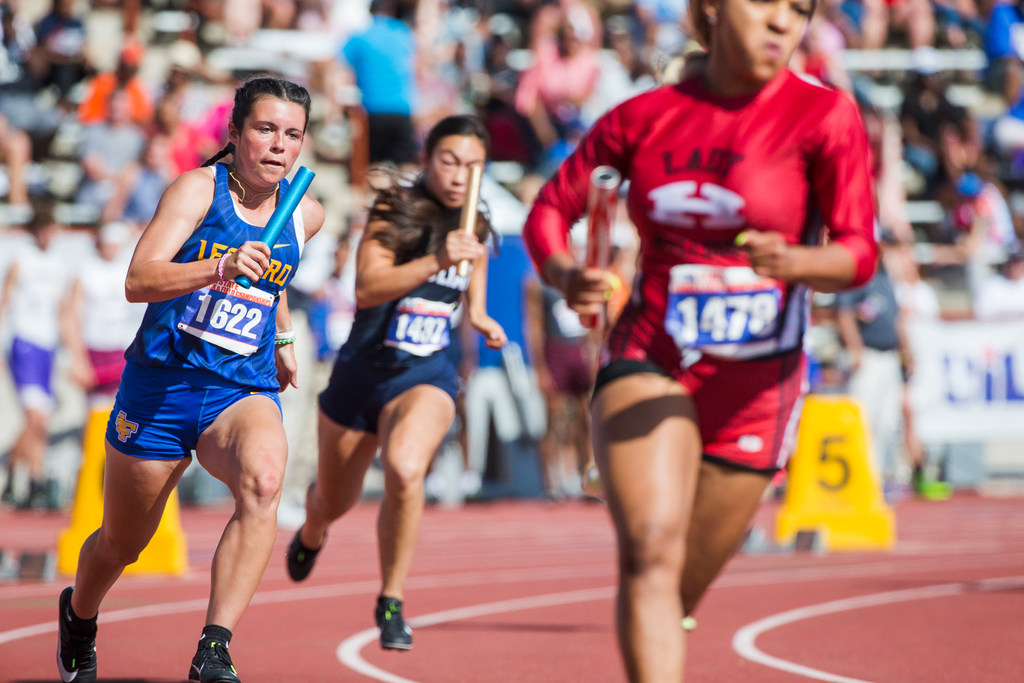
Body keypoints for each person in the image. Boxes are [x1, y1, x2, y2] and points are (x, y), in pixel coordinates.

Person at [520, 0, 878, 678]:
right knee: (651, 548)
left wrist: (798, 261)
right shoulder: (642, 116)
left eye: (798, 9)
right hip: (649, 356)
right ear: (711, 9)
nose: (782, 22)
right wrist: (566, 272)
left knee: (676, 585)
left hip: (757, 389)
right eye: (764, 4)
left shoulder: (825, 115)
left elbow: (859, 252)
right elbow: (550, 209)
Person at [55, 75, 325, 683]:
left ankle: (214, 647)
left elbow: (275, 279)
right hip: (162, 387)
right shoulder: (197, 191)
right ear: (234, 134)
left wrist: (281, 339)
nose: (279, 146)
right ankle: (79, 615)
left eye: (292, 135)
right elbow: (138, 280)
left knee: (264, 480)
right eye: (264, 129)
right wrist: (218, 265)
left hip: (240, 388)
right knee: (123, 544)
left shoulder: (307, 211)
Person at [285, 114, 506, 651]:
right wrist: (436, 258)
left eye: (472, 164)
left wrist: (477, 313)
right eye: (449, 160)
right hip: (362, 373)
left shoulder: (475, 217)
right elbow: (368, 287)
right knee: (334, 502)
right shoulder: (394, 208)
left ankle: (391, 599)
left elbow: (471, 265)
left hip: (426, 374)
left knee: (407, 469)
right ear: (428, 159)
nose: (459, 174)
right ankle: (314, 529)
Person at [0, 200, 67, 509]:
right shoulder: (21, 259)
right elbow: (6, 299)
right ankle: (34, 477)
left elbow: (63, 309)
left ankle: (21, 477)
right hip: (24, 340)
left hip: (48, 343)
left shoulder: (57, 264)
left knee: (42, 417)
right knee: (35, 415)